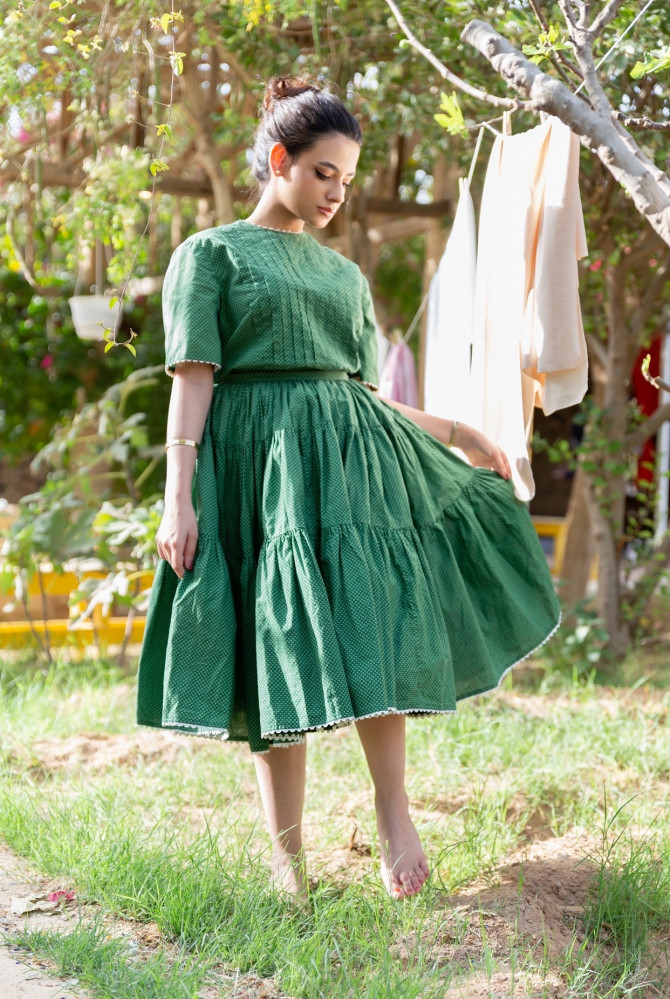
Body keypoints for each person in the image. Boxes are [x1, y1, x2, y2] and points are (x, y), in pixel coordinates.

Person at [136, 76, 561, 903]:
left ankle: (393, 813)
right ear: (279, 161)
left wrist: (462, 432)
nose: (336, 192)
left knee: (376, 625)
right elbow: (193, 378)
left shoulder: (344, 277)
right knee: (274, 646)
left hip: (352, 470)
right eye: (323, 172)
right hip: (261, 473)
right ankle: (287, 861)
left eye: (347, 178)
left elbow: (363, 396)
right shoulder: (210, 255)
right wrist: (177, 494)